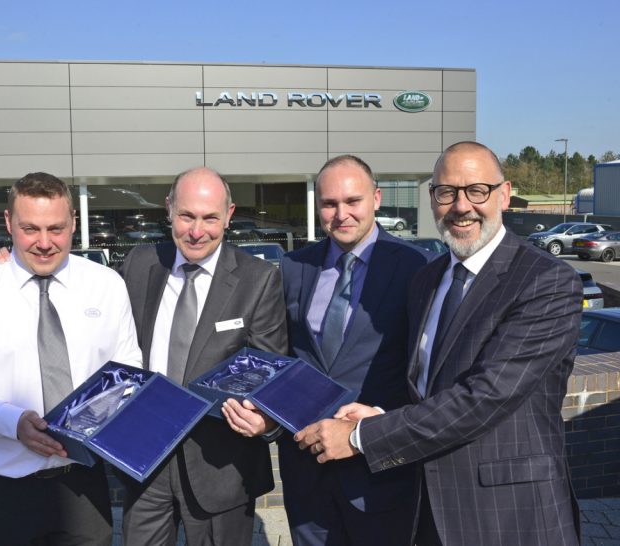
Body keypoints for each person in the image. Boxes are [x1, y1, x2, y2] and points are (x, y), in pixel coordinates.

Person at [296, 142, 582, 545]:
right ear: (433, 200)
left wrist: (362, 436)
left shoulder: (546, 282)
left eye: (476, 190)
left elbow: (483, 397)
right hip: (428, 504)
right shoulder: (428, 280)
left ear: (504, 193)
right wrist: (378, 413)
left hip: (510, 514)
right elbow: (431, 389)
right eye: (447, 192)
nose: (461, 206)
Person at [0, 172, 142, 545]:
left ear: (74, 222)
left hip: (84, 484)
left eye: (56, 228)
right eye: (30, 229)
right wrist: (11, 421)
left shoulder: (107, 285)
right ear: (9, 223)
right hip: (3, 487)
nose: (44, 243)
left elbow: (128, 370)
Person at [232, 155, 429, 545]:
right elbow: (279, 356)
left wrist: (380, 425)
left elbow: (425, 368)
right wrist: (268, 418)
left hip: (379, 470)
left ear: (375, 199)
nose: (342, 214)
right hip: (306, 470)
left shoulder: (417, 267)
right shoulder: (293, 267)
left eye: (352, 201)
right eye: (329, 203)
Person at [118, 166, 288, 546]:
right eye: (186, 216)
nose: (197, 231)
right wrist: (8, 261)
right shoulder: (140, 263)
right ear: (169, 209)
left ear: (229, 215)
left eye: (210, 217)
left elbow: (270, 372)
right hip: (146, 458)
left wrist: (266, 422)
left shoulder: (258, 279)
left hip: (220, 466)